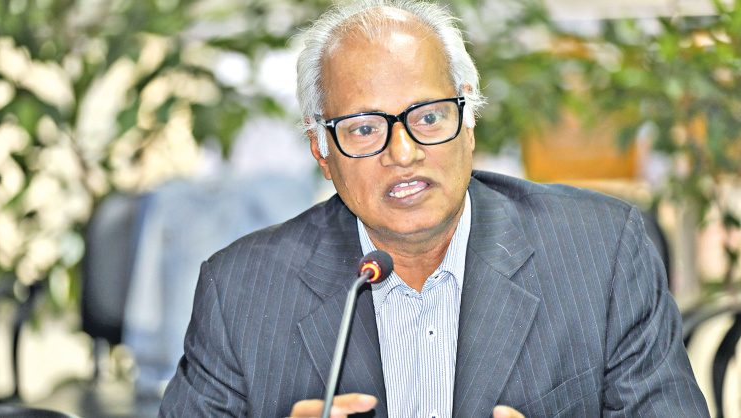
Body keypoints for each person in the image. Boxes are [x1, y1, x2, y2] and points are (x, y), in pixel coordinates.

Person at [159, 1, 710, 416]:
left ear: (468, 118)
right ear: (321, 150)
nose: (403, 154)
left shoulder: (600, 254)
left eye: (427, 117)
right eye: (364, 129)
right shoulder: (241, 291)